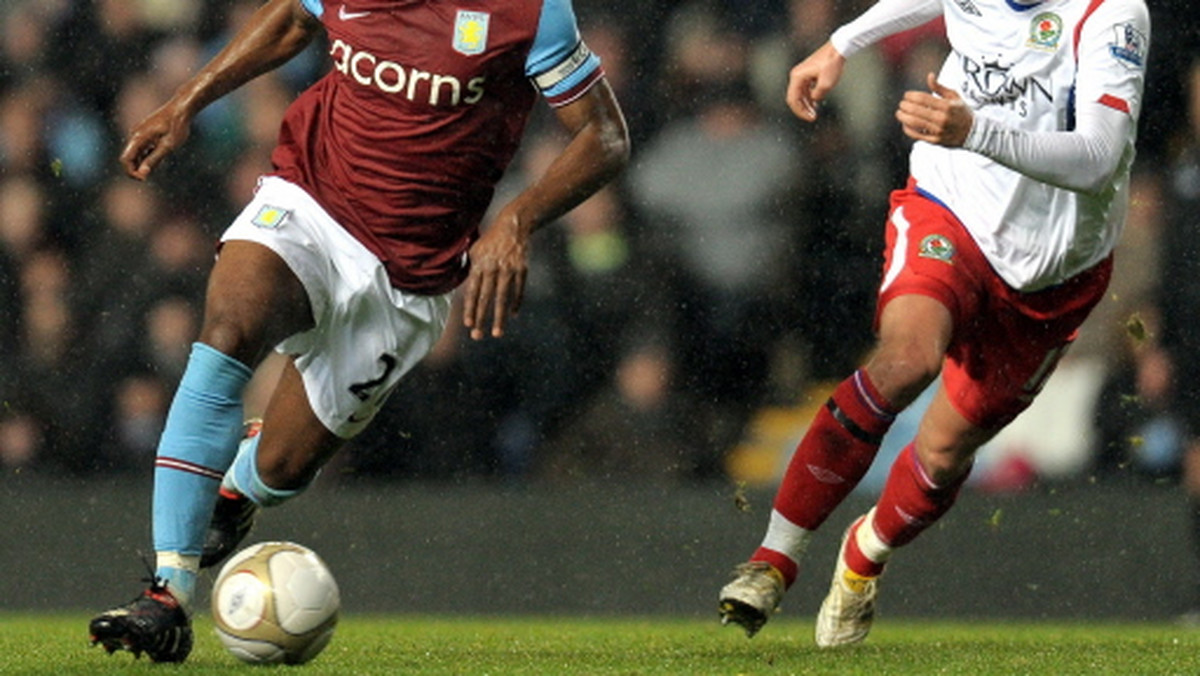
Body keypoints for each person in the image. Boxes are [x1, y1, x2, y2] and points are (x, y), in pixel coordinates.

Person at [88, 0, 629, 663]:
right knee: (227, 333)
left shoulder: (530, 11)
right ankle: (167, 597)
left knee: (286, 465)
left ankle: (239, 490)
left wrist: (517, 219)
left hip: (409, 276)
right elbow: (291, 18)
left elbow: (604, 135)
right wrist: (186, 101)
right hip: (307, 200)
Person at [718, 0, 1150, 648]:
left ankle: (865, 554)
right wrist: (842, 43)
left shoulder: (1112, 14)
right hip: (950, 207)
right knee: (905, 362)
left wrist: (973, 129)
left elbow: (1097, 157)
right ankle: (773, 557)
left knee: (945, 452)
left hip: (1053, 276)